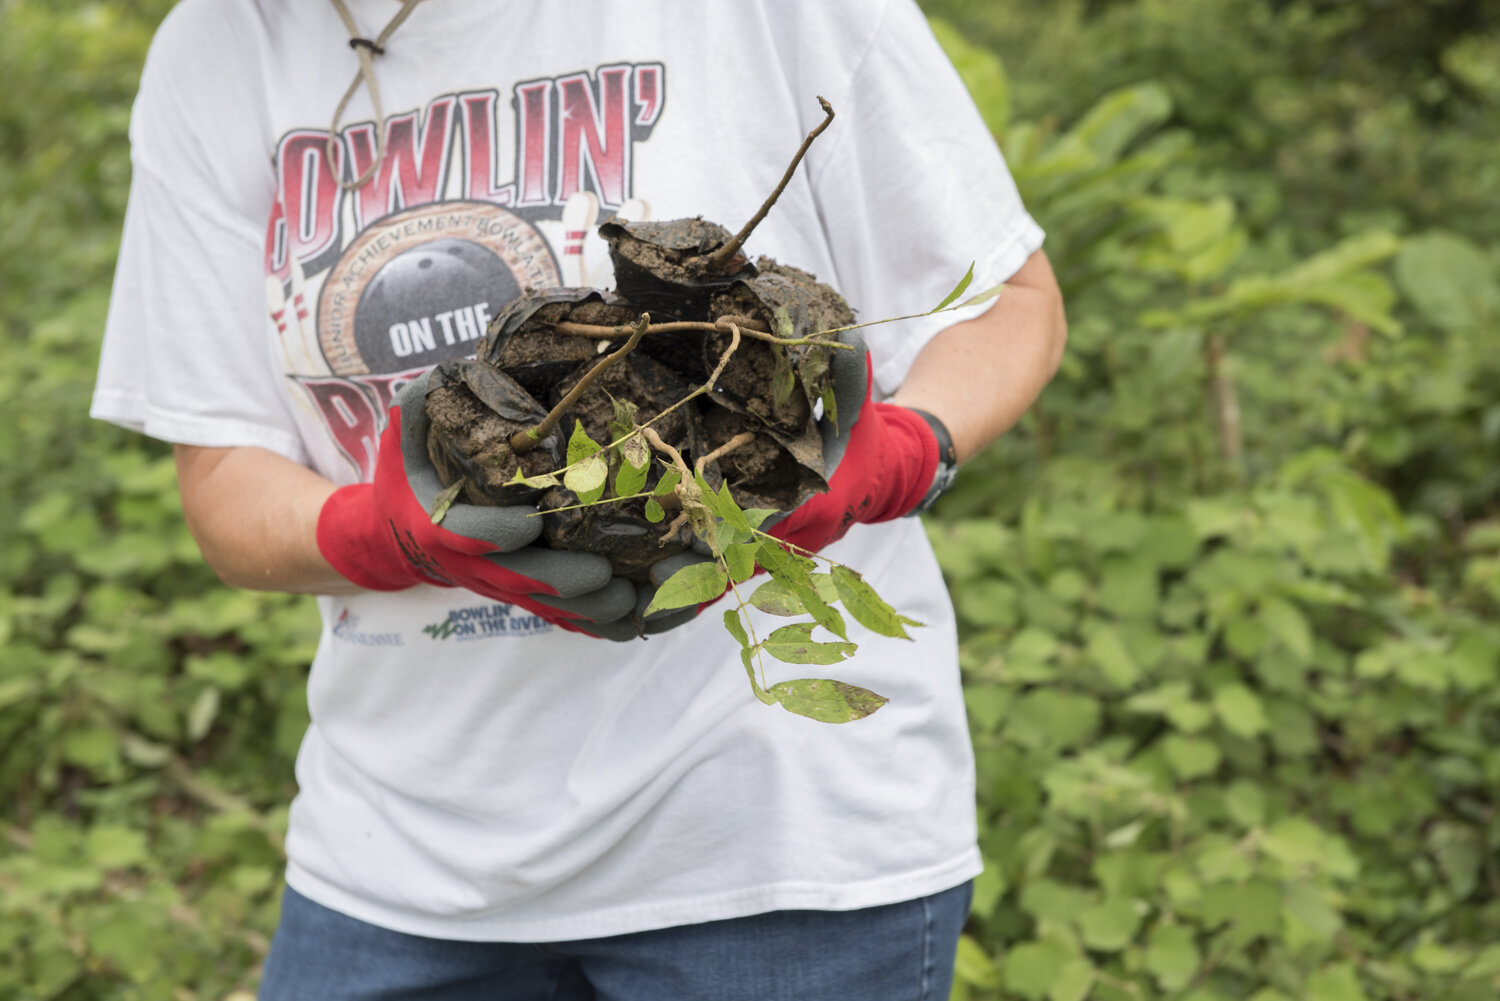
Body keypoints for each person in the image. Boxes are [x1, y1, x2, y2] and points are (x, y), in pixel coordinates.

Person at [92, 0, 1066, 996]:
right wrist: (379, 534)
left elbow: (1007, 304)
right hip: (403, 862)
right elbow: (223, 475)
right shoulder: (222, 45)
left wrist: (905, 449)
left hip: (779, 852)